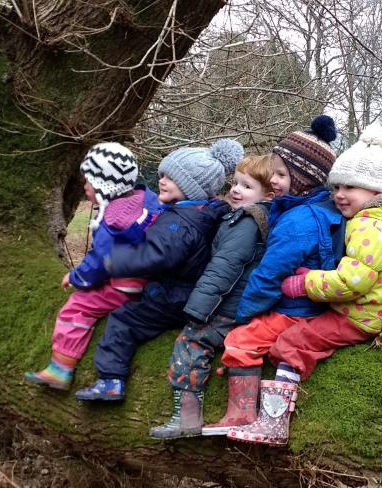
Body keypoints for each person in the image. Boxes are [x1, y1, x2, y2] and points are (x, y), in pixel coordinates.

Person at [226, 122, 382, 446]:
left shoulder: (370, 227)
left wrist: (305, 283)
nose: (339, 195)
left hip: (362, 314)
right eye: (336, 186)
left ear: (377, 191)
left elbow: (350, 282)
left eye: (350, 187)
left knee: (292, 344)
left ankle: (274, 422)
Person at [201, 115, 343, 437]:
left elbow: (269, 275)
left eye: (281, 174)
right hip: (314, 303)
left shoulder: (297, 222)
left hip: (297, 310)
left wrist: (243, 314)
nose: (274, 181)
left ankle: (240, 415)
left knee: (241, 341)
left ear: (305, 178)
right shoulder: (324, 208)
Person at [74, 139, 244, 401]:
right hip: (189, 293)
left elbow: (155, 256)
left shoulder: (178, 223)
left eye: (172, 179)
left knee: (124, 320)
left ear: (192, 188)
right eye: (163, 174)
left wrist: (114, 262)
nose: (162, 181)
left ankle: (110, 380)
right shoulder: (206, 213)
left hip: (171, 296)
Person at [149, 155, 276, 438]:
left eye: (246, 186)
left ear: (267, 195)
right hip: (237, 302)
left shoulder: (247, 221)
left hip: (227, 304)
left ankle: (187, 417)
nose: (235, 190)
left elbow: (225, 267)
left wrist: (199, 309)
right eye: (235, 182)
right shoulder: (249, 216)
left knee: (191, 342)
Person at [25, 142, 161, 390]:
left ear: (105, 184)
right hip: (149, 281)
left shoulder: (112, 219)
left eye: (89, 181)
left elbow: (99, 263)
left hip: (123, 286)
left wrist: (76, 277)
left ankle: (61, 368)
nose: (85, 186)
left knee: (77, 308)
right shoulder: (146, 202)